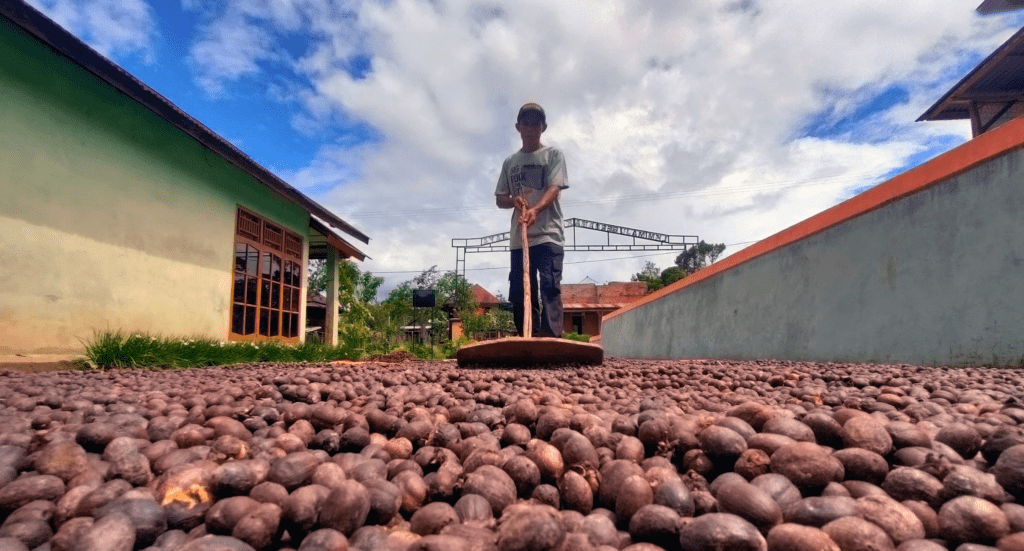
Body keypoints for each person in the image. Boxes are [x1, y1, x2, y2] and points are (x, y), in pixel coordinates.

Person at [495, 102, 568, 338]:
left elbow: (554, 188)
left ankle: (550, 339)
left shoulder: (553, 155)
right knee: (519, 290)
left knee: (549, 286)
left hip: (548, 233)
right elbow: (500, 199)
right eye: (526, 122)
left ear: (543, 127)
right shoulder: (510, 162)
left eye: (536, 122)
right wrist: (514, 200)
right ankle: (528, 337)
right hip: (520, 239)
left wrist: (535, 210)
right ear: (518, 127)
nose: (531, 127)